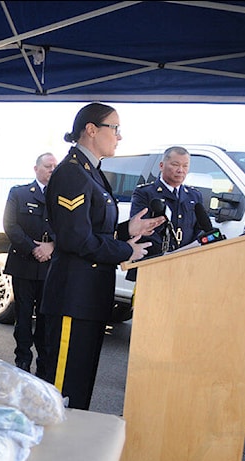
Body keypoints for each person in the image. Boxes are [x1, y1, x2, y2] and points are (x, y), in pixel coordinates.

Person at [40, 103, 164, 410]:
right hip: (73, 298)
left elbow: (93, 231)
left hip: (89, 298)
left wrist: (126, 231)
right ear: (91, 129)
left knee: (79, 389)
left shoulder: (91, 172)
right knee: (61, 392)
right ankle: (52, 455)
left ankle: (71, 454)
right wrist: (126, 250)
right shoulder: (72, 173)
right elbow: (74, 238)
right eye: (115, 128)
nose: (120, 137)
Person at [2, 152, 57, 378]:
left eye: (55, 166)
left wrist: (52, 246)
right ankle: (22, 362)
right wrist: (32, 248)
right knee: (23, 318)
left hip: (50, 267)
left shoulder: (62, 197)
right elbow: (10, 225)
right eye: (47, 166)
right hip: (24, 264)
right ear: (36, 169)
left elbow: (71, 228)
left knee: (46, 320)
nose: (52, 170)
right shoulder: (19, 193)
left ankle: (44, 368)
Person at [130, 146, 208, 258]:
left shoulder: (194, 195)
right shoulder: (145, 193)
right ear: (161, 166)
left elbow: (199, 229)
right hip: (153, 260)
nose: (181, 170)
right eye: (175, 165)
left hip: (185, 261)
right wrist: (165, 254)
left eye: (185, 166)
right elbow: (140, 228)